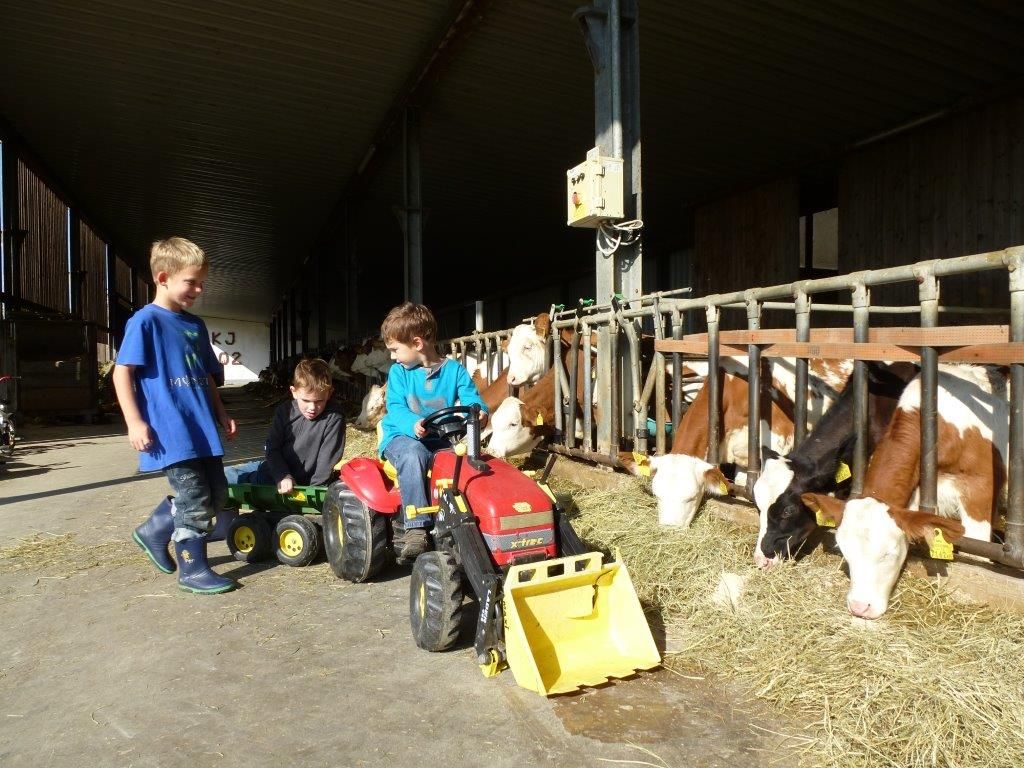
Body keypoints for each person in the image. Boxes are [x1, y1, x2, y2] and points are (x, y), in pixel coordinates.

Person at [114, 237, 239, 594]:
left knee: (216, 495)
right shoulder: (145, 322)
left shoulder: (195, 326)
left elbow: (207, 377)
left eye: (202, 282)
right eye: (192, 282)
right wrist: (134, 421)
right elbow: (122, 372)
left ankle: (154, 528)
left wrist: (221, 413)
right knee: (195, 501)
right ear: (164, 277)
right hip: (171, 429)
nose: (198, 289)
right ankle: (193, 568)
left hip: (201, 426)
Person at [378, 302, 488, 560]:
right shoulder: (399, 373)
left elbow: (473, 400)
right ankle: (416, 528)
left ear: (417, 343)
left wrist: (480, 412)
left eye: (395, 350)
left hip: (440, 438)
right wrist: (412, 423)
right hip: (402, 437)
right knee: (414, 454)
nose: (393, 357)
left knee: (467, 461)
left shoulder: (454, 371)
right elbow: (394, 407)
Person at [225, 358, 345, 491]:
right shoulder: (285, 411)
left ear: (329, 393)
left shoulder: (334, 417)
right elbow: (272, 447)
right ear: (293, 391)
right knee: (230, 476)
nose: (312, 407)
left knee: (253, 471)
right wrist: (283, 475)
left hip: (304, 480)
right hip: (276, 475)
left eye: (319, 401)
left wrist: (314, 490)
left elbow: (327, 459)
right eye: (306, 400)